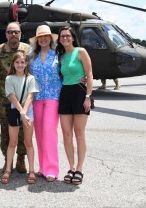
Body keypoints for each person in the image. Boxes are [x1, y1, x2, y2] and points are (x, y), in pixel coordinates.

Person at [56, 26, 93, 185]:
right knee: (66, 134)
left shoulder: (81, 51)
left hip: (79, 93)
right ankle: (71, 167)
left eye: (67, 36)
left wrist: (88, 96)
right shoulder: (61, 56)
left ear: (72, 37)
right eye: (62, 36)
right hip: (65, 94)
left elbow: (90, 74)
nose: (64, 38)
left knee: (79, 133)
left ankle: (80, 168)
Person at [0, 22, 32, 173]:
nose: (13, 35)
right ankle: (7, 161)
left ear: (20, 33)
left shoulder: (28, 50)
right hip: (5, 100)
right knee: (6, 131)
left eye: (16, 32)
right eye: (10, 32)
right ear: (6, 34)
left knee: (24, 130)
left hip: (24, 101)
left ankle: (21, 160)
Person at [29, 25, 62, 182]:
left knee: (49, 132)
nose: (43, 39)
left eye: (46, 37)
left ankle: (52, 169)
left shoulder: (57, 55)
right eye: (40, 37)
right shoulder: (32, 57)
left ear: (50, 39)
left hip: (53, 97)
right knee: (40, 133)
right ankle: (42, 167)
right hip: (36, 98)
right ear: (36, 40)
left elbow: (67, 72)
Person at [0, 52, 39, 184]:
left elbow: (30, 96)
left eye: (23, 62)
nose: (20, 65)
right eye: (17, 62)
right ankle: (8, 169)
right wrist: (21, 112)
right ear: (13, 64)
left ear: (26, 63)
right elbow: (11, 96)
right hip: (15, 110)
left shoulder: (31, 78)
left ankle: (32, 170)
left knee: (28, 142)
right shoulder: (9, 78)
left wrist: (24, 112)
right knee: (13, 142)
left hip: (28, 112)